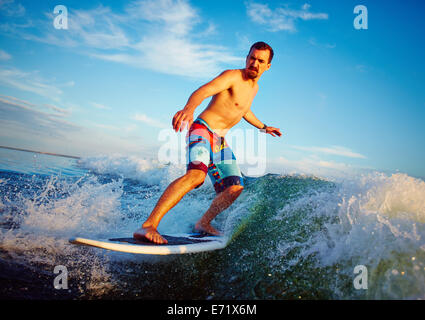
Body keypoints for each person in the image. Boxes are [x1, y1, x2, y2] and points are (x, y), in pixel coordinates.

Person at [133, 41, 282, 244]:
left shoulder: (254, 88)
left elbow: (243, 109)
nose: (254, 63)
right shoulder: (232, 76)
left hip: (219, 141)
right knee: (196, 177)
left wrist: (264, 127)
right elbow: (204, 90)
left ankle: (203, 223)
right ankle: (149, 225)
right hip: (202, 129)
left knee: (234, 188)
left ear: (268, 66)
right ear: (246, 58)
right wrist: (189, 109)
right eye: (252, 58)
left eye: (260, 61)